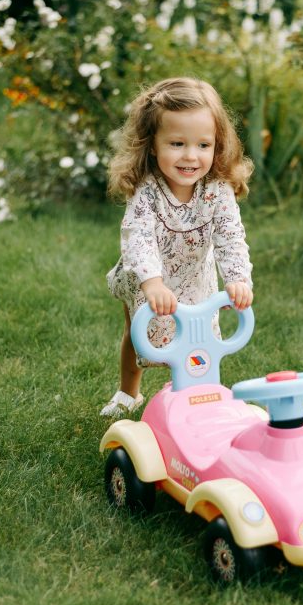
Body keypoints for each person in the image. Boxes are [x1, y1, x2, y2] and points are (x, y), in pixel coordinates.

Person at [101, 77, 255, 417]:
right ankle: (129, 393)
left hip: (195, 277)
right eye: (177, 143)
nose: (190, 156)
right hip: (148, 275)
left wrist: (238, 279)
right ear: (153, 144)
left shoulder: (217, 190)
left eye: (203, 145)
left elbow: (230, 236)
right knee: (138, 334)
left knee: (199, 343)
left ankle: (196, 400)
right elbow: (137, 237)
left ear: (218, 144)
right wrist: (152, 283)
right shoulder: (148, 190)